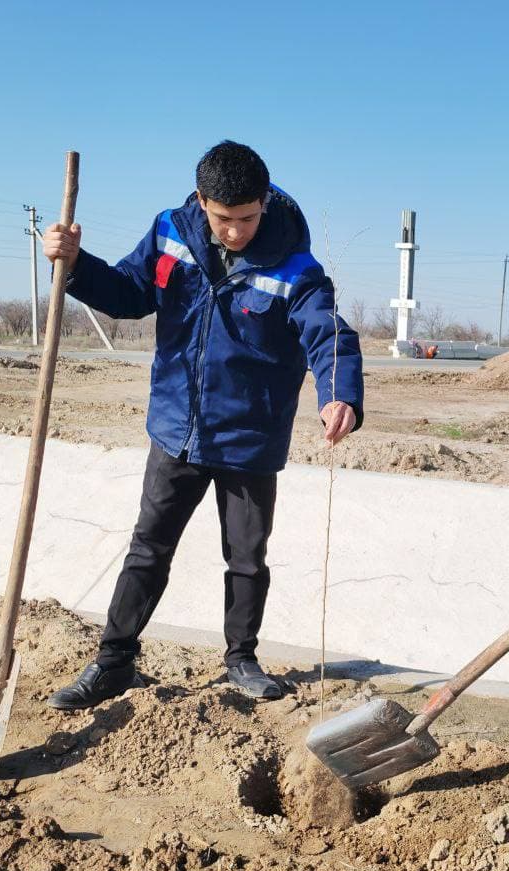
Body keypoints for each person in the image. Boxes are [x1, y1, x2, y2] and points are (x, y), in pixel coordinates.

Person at [40, 140, 363, 709]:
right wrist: (75, 264)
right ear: (200, 201)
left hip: (249, 439)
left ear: (264, 203)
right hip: (177, 429)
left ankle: (241, 658)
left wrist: (340, 396)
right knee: (148, 548)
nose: (235, 231)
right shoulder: (170, 233)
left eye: (246, 218)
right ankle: (113, 661)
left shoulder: (298, 267)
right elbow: (127, 293)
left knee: (246, 556)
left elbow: (328, 336)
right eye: (222, 218)